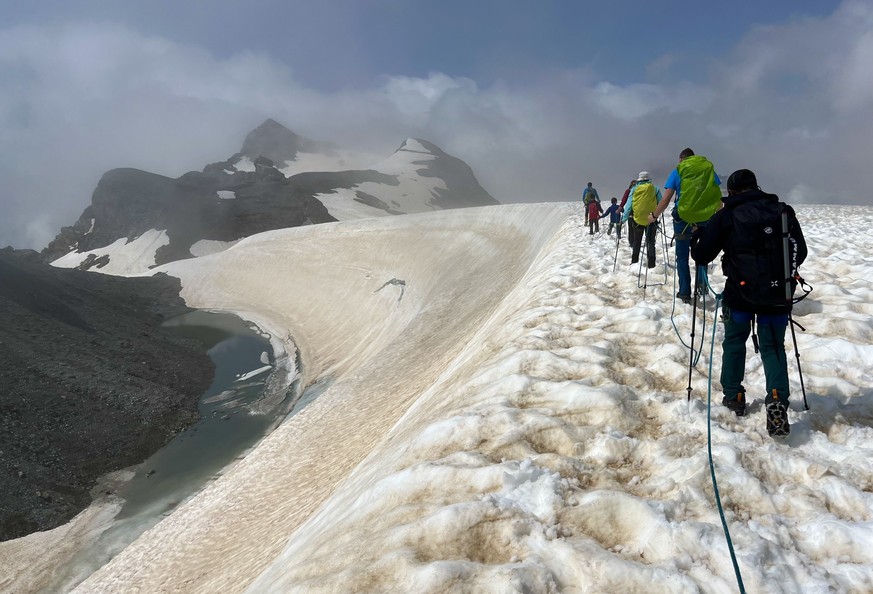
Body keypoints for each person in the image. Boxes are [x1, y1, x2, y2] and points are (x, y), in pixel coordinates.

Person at [691, 169, 808, 437]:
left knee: (734, 342)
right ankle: (777, 397)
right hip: (777, 296)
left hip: (739, 295)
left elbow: (702, 255)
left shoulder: (727, 215)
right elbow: (799, 251)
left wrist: (698, 235)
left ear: (731, 192)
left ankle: (734, 396)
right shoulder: (783, 212)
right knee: (772, 346)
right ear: (756, 186)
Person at [649, 148, 721, 304]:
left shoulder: (678, 170)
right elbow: (717, 197)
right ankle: (702, 289)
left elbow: (666, 199)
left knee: (682, 256)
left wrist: (653, 216)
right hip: (705, 218)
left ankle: (684, 293)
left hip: (682, 218)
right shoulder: (707, 169)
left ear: (681, 159)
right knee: (703, 253)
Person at [623, 171, 662, 268]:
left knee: (637, 241)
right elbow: (661, 202)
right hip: (651, 219)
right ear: (649, 179)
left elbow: (628, 205)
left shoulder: (634, 189)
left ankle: (634, 261)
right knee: (650, 241)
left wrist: (623, 218)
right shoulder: (655, 189)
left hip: (638, 219)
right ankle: (651, 264)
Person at [619, 179, 636, 244]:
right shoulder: (640, 190)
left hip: (630, 212)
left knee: (631, 227)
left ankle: (631, 242)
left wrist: (620, 208)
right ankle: (636, 242)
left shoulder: (628, 191)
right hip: (639, 211)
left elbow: (624, 200)